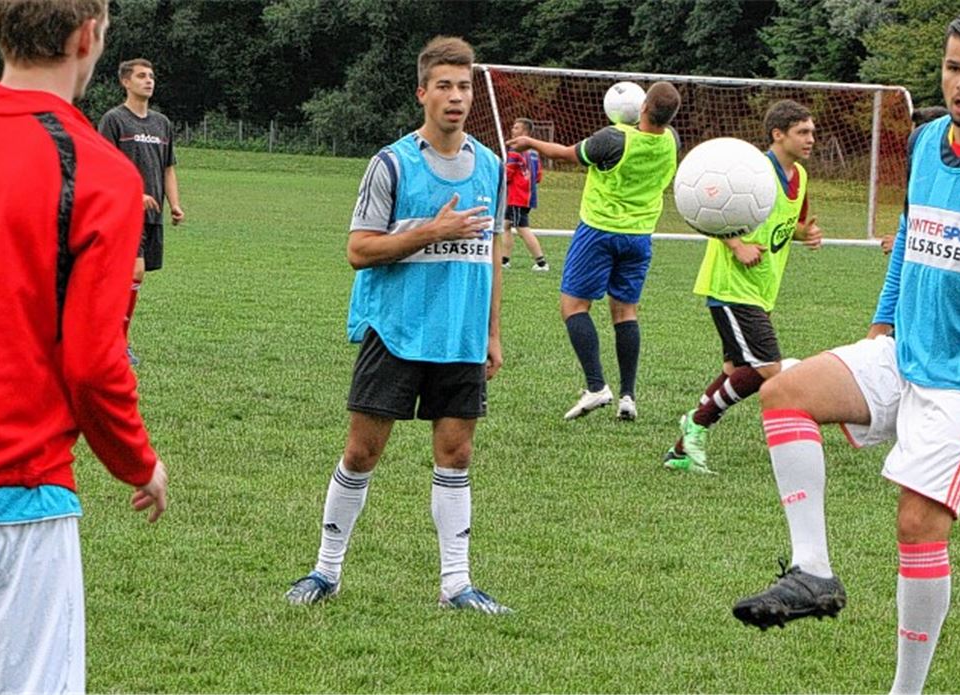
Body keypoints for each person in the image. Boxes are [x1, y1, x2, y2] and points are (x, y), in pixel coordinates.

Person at [728, 11, 960, 695]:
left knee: (916, 520)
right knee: (785, 392)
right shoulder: (929, 138)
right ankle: (813, 570)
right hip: (908, 348)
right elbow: (910, 232)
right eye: (953, 67)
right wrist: (883, 319)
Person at [0, 2, 169, 693]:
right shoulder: (97, 169)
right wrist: (138, 462)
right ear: (86, 37)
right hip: (17, 499)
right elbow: (92, 364)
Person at [285, 36, 510, 614]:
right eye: (444, 86)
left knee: (456, 455)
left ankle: (456, 585)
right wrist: (429, 233)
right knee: (362, 452)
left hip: (459, 333)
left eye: (463, 87)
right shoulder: (391, 163)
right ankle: (325, 572)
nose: (456, 97)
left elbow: (489, 254)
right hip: (397, 330)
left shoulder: (490, 165)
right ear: (422, 93)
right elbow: (359, 250)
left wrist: (491, 332)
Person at [663, 100, 822, 474]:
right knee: (769, 368)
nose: (811, 139)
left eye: (812, 132)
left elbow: (789, 226)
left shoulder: (799, 176)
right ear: (777, 134)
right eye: (802, 132)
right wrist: (737, 245)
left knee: (738, 367)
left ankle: (683, 448)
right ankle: (697, 424)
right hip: (731, 286)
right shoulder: (748, 170)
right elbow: (705, 211)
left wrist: (806, 234)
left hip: (762, 288)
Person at [507, 82, 682, 421]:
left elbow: (565, 154)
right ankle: (628, 396)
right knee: (626, 312)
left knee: (573, 306)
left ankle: (596, 386)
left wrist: (529, 142)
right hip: (640, 236)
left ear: (644, 106)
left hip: (599, 231)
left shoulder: (613, 139)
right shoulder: (671, 141)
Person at [98, 58, 184, 366]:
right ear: (126, 82)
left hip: (152, 215)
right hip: (122, 212)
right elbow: (104, 167)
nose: (149, 81)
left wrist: (174, 204)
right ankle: (118, 344)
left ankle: (109, 337)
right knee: (132, 272)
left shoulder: (162, 124)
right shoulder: (114, 120)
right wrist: (134, 195)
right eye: (141, 76)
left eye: (151, 76)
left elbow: (168, 168)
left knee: (131, 278)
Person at [880, 106, 950, 255]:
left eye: (916, 136)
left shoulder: (954, 182)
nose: (911, 143)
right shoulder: (920, 180)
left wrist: (906, 244)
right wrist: (903, 241)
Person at [503, 118, 549, 271]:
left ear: (525, 132)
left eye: (516, 128)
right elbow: (538, 176)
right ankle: (504, 260)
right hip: (527, 197)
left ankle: (541, 262)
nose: (513, 130)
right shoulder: (534, 153)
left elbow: (507, 175)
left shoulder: (515, 152)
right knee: (505, 225)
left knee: (522, 229)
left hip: (517, 198)